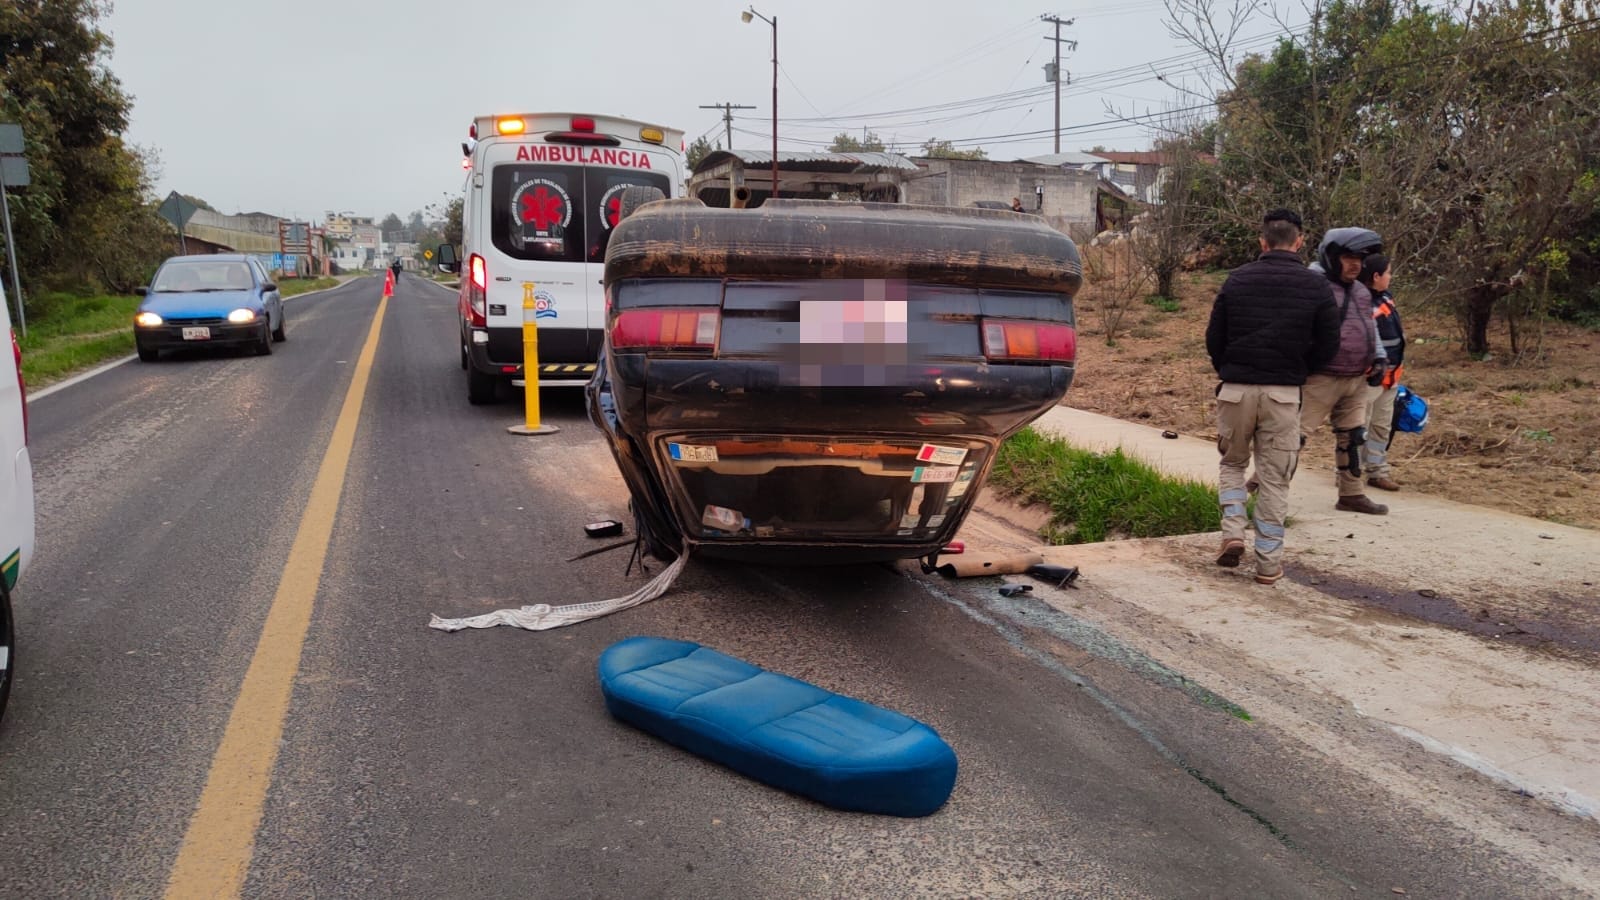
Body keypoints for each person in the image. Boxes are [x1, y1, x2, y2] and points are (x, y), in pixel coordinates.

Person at [1205, 208, 1340, 584]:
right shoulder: (1316, 287)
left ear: (1262, 242)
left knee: (1232, 465)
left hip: (1236, 390)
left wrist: (1229, 369)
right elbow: (1329, 346)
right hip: (1283, 394)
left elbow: (1214, 338)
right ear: (1299, 243)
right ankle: (1268, 564)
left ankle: (1232, 533)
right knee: (1275, 479)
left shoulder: (1237, 279)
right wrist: (1298, 371)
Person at [1299, 227, 1390, 515]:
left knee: (1353, 438)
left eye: (1360, 259)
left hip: (1355, 379)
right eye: (1348, 258)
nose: (1355, 265)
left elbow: (1369, 327)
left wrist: (1379, 358)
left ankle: (1351, 494)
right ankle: (1259, 488)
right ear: (1330, 256)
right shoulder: (1311, 284)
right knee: (1291, 438)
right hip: (1320, 378)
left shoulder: (1361, 291)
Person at [1360, 254, 1406, 491]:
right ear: (1376, 276)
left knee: (1381, 426)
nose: (1390, 276)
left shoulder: (1386, 298)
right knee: (1358, 427)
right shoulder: (1361, 303)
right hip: (1369, 379)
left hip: (1391, 378)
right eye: (1388, 272)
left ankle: (1377, 471)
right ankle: (1349, 473)